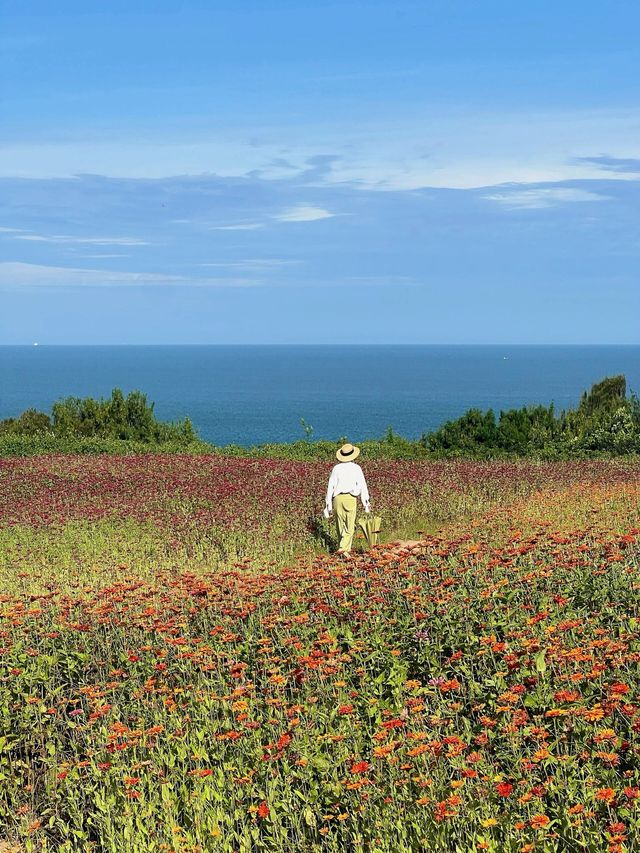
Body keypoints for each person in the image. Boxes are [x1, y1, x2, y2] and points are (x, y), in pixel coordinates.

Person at [323, 443, 371, 557]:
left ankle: (344, 551)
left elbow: (330, 486)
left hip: (337, 499)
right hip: (350, 498)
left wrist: (328, 505)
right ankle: (343, 549)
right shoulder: (356, 468)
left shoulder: (336, 468)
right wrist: (366, 503)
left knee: (340, 526)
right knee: (350, 526)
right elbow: (363, 485)